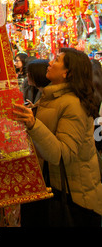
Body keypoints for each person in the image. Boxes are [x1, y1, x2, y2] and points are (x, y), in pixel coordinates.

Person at [14, 48, 102, 227]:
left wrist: (33, 123)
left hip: (73, 199)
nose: (50, 62)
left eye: (56, 60)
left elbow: (61, 154)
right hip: (51, 190)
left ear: (67, 73)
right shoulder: (51, 96)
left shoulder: (73, 105)